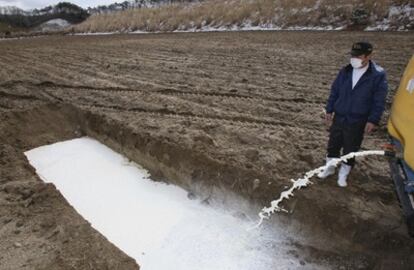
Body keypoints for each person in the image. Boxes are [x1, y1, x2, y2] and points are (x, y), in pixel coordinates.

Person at [318, 42, 388, 187]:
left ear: (368, 56)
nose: (354, 58)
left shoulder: (377, 75)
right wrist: (329, 110)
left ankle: (344, 173)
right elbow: (335, 91)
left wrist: (373, 120)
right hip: (340, 115)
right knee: (333, 144)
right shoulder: (345, 71)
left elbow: (379, 101)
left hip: (358, 119)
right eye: (353, 55)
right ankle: (329, 168)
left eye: (359, 56)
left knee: (351, 147)